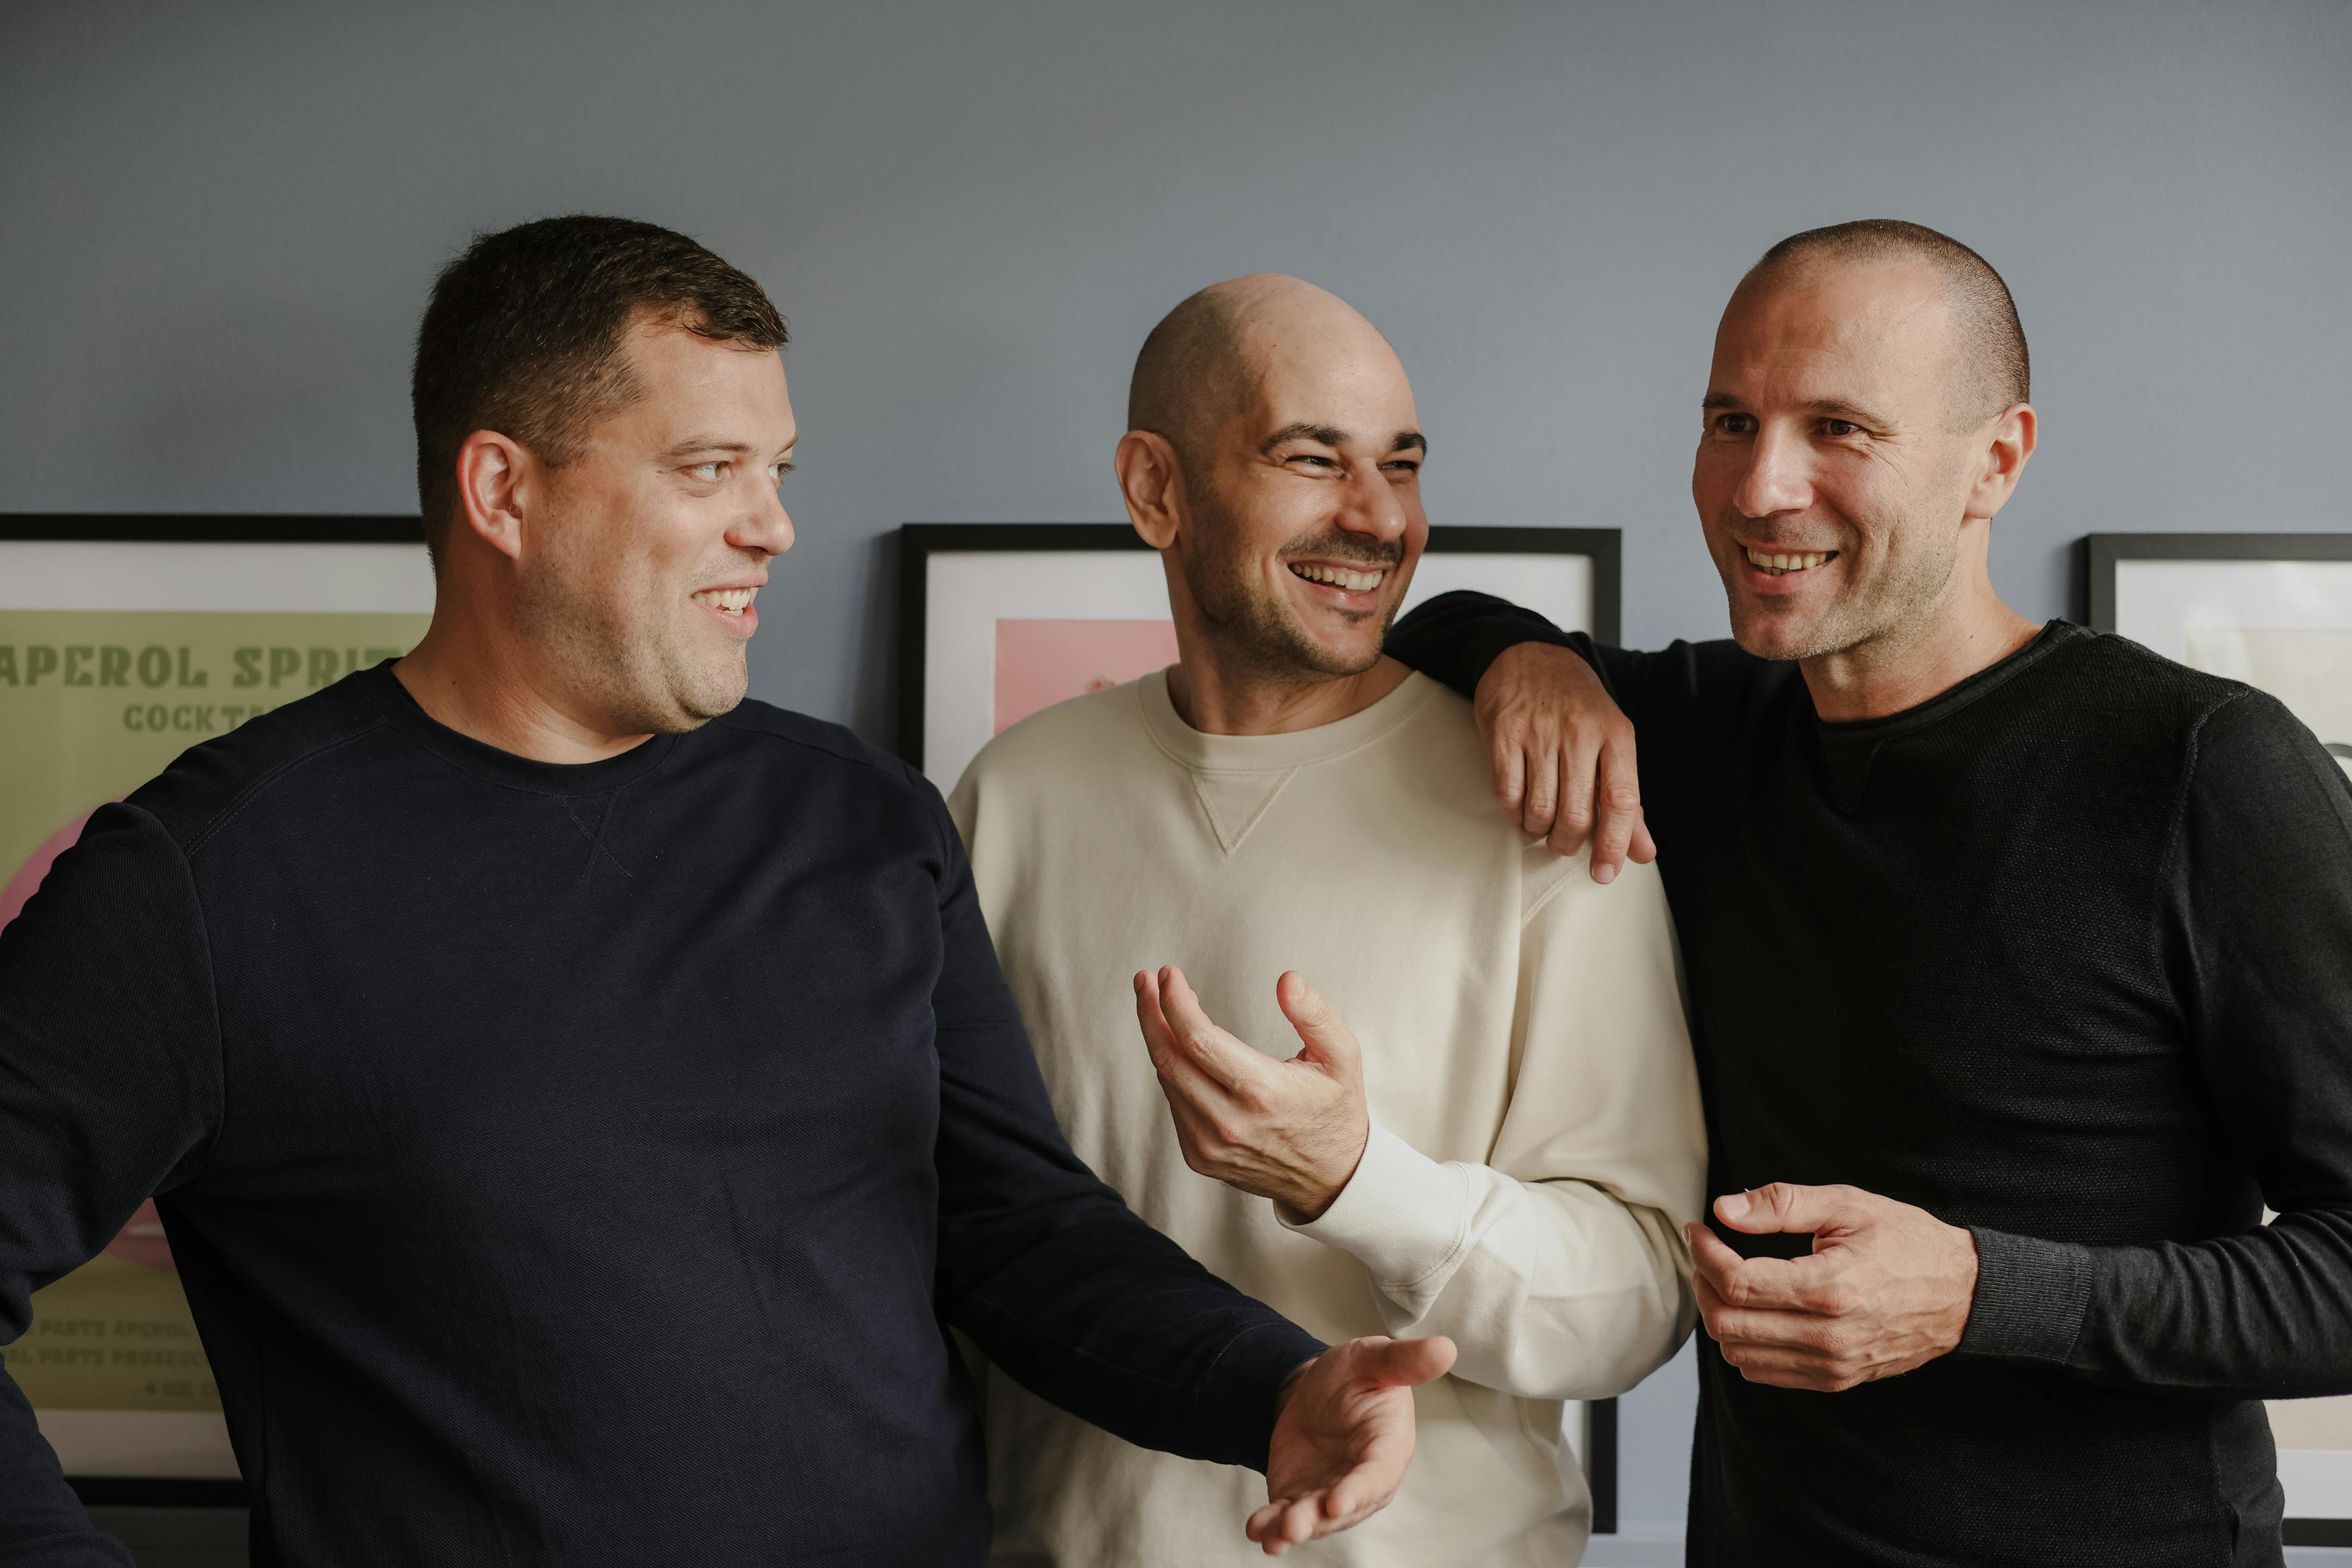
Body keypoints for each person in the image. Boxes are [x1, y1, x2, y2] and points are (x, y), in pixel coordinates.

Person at [0, 217, 1458, 1568]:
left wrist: (1271, 1388)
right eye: (709, 471)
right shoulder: (203, 881)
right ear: (504, 488)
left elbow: (1012, 1231)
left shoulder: (857, 818)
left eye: (780, 471)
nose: (772, 527)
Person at [1386, 219, 2352, 1566]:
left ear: (1995, 460)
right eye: (1731, 419)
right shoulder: (1702, 730)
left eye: (1839, 428)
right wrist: (1524, 660)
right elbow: (1423, 628)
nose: (1760, 485)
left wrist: (1978, 1291)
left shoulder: (2201, 770)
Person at [949, 274, 1704, 1567]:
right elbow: (970, 1226)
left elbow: (1639, 1297)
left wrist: (1358, 1180)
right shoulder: (1014, 793)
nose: (1380, 520)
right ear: (1155, 490)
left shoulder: (1547, 804)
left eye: (1401, 466)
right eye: (1313, 460)